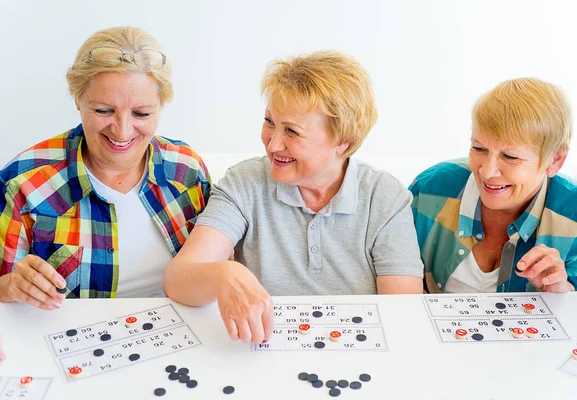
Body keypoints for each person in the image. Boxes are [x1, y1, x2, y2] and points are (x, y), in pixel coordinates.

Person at [164, 50, 424, 344]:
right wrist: (222, 274)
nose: (273, 144)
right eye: (269, 122)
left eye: (292, 131)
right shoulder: (244, 183)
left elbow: (402, 316)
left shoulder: (385, 197)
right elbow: (178, 280)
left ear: (343, 142)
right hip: (263, 350)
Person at [0, 27, 211, 310]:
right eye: (103, 111)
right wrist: (11, 285)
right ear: (78, 99)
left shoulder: (188, 172)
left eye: (141, 113)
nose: (122, 131)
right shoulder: (23, 181)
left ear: (161, 106)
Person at [410, 77, 577, 293]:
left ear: (555, 160)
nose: (487, 172)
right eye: (479, 149)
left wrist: (559, 289)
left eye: (510, 156)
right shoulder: (428, 189)